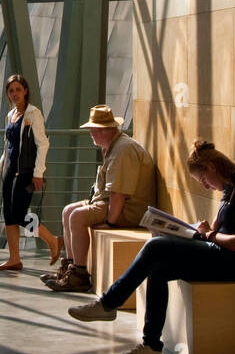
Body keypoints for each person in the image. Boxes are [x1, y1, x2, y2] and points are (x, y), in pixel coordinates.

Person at [67, 137, 235, 354]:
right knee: (158, 268)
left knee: (155, 246)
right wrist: (196, 231)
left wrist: (208, 235)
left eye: (203, 180)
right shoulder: (231, 185)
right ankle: (151, 345)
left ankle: (109, 303)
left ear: (211, 167)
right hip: (221, 253)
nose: (206, 186)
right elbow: (216, 228)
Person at [44, 105, 155, 294]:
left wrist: (111, 223)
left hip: (129, 209)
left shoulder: (122, 150)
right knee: (68, 211)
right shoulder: (115, 146)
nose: (91, 134)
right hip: (113, 203)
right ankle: (70, 267)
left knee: (77, 216)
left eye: (93, 129)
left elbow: (118, 193)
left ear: (106, 130)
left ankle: (79, 275)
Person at [0, 74, 60, 272]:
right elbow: (7, 148)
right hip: (10, 171)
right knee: (9, 215)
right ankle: (14, 259)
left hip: (26, 172)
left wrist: (38, 173)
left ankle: (52, 240)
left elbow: (42, 144)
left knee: (19, 215)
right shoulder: (10, 115)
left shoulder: (33, 114)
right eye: (11, 90)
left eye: (18, 90)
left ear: (25, 91)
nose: (15, 94)